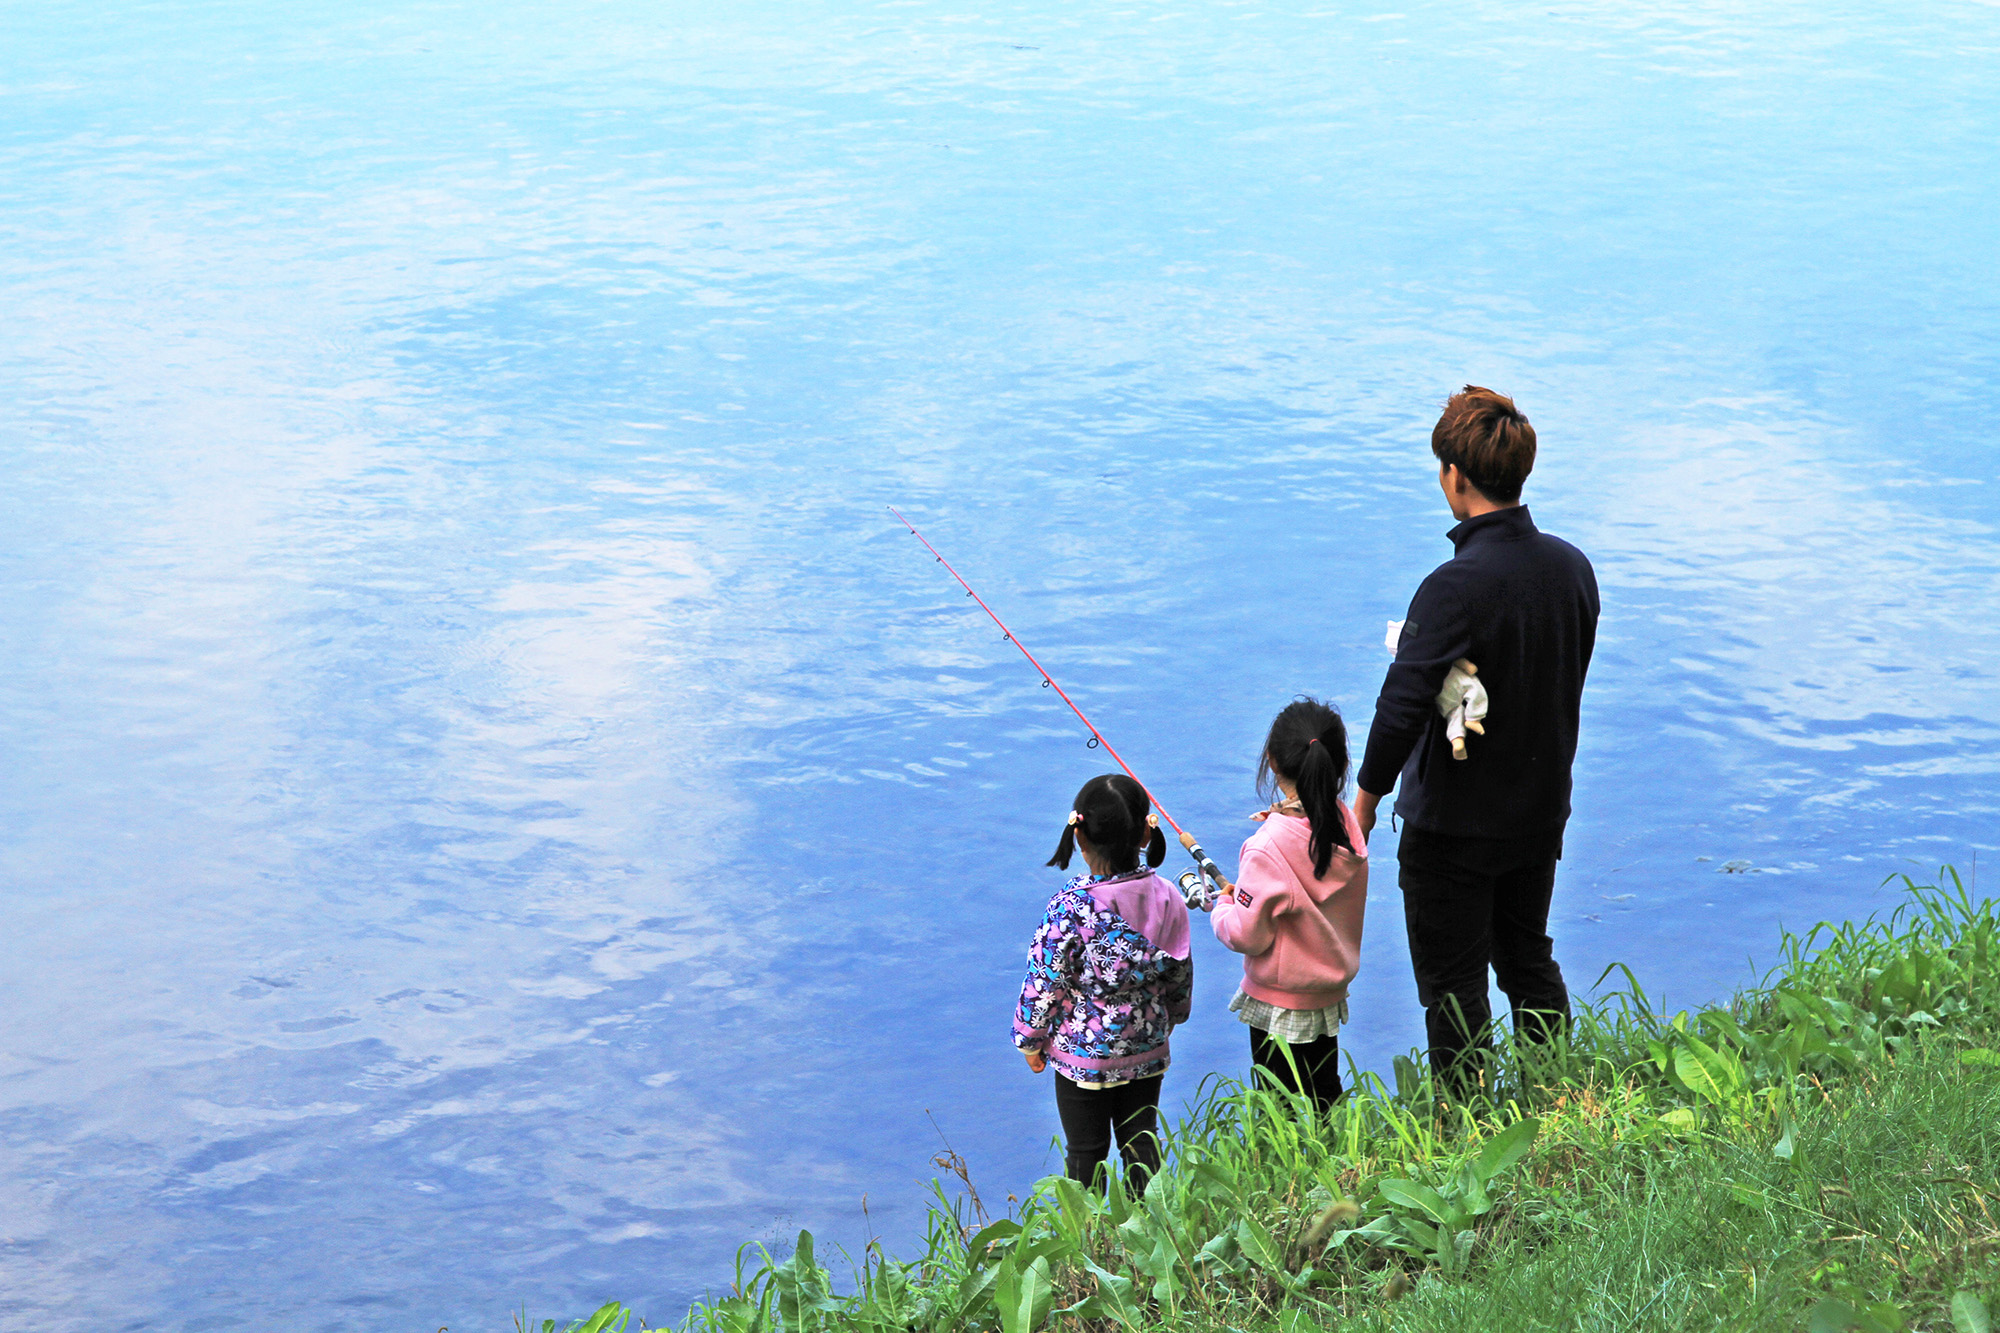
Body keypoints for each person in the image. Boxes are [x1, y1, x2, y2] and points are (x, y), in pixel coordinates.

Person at [1354, 386, 1600, 1093]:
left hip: (1455, 827)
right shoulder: (1571, 569)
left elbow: (1401, 707)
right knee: (1528, 957)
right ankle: (1556, 1094)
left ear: (1454, 477)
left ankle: (1466, 1128)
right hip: (1539, 811)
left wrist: (1363, 802)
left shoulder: (1451, 588)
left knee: (1454, 985)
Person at [1013, 774, 1193, 1193]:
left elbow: (1045, 981)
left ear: (1080, 838)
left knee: (1085, 1151)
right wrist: (1176, 1014)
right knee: (1140, 1145)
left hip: (1084, 1060)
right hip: (1147, 1049)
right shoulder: (1167, 895)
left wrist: (1030, 1040)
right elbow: (1180, 968)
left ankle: (1088, 1243)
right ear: (1145, 836)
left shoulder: (1069, 908)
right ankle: (1150, 1230)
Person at [1206, 698, 1368, 1115]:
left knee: (1275, 1105)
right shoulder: (1344, 822)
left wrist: (1221, 909)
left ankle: (1287, 1178)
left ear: (1272, 760)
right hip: (1327, 993)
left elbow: (1246, 934)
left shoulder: (1267, 848)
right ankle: (1336, 1167)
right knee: (1323, 1091)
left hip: (1280, 1001)